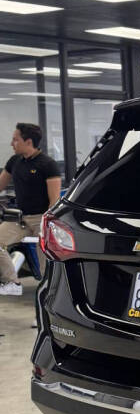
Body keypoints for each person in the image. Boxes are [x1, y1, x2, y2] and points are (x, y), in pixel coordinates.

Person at [0, 123, 61, 296]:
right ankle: (12, 282)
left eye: (15, 140)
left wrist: (46, 226)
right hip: (20, 219)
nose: (12, 143)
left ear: (28, 141)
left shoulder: (47, 164)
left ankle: (46, 301)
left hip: (41, 218)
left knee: (44, 265)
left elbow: (54, 201)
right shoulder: (15, 161)